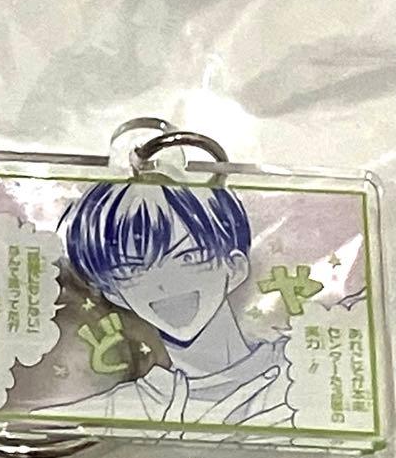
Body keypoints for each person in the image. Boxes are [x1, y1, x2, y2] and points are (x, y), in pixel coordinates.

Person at [52, 180, 293, 428]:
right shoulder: (126, 408)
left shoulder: (298, 369)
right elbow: (39, 428)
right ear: (114, 293)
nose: (164, 284)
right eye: (133, 269)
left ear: (234, 268)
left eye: (188, 257)